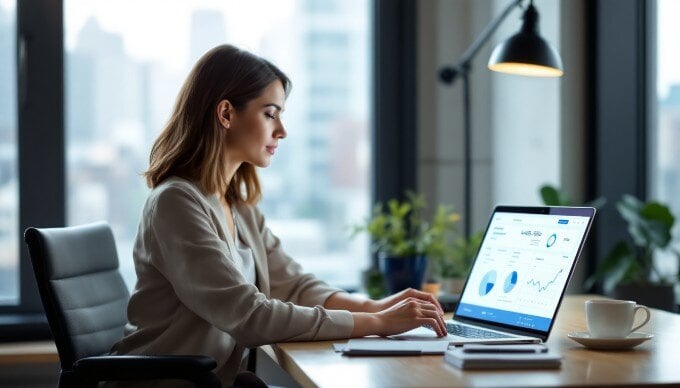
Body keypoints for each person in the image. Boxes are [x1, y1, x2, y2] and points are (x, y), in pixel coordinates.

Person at [111, 44, 447, 387]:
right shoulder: (176, 203)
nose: (282, 130)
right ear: (226, 114)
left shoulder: (238, 207)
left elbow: (296, 286)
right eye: (270, 113)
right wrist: (377, 324)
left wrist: (374, 307)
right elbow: (249, 316)